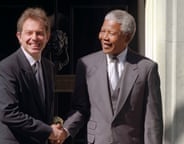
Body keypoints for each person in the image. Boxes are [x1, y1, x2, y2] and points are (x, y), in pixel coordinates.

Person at [62, 9, 163, 144]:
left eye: (111, 33)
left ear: (127, 37)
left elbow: (152, 120)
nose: (104, 37)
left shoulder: (147, 68)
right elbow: (80, 109)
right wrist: (65, 130)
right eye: (103, 31)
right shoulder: (85, 64)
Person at [0, 7, 65, 144]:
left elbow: (42, 110)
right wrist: (48, 131)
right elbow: (8, 113)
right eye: (29, 33)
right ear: (19, 37)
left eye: (39, 33)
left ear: (47, 37)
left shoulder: (48, 67)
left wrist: (52, 130)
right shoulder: (7, 68)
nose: (34, 38)